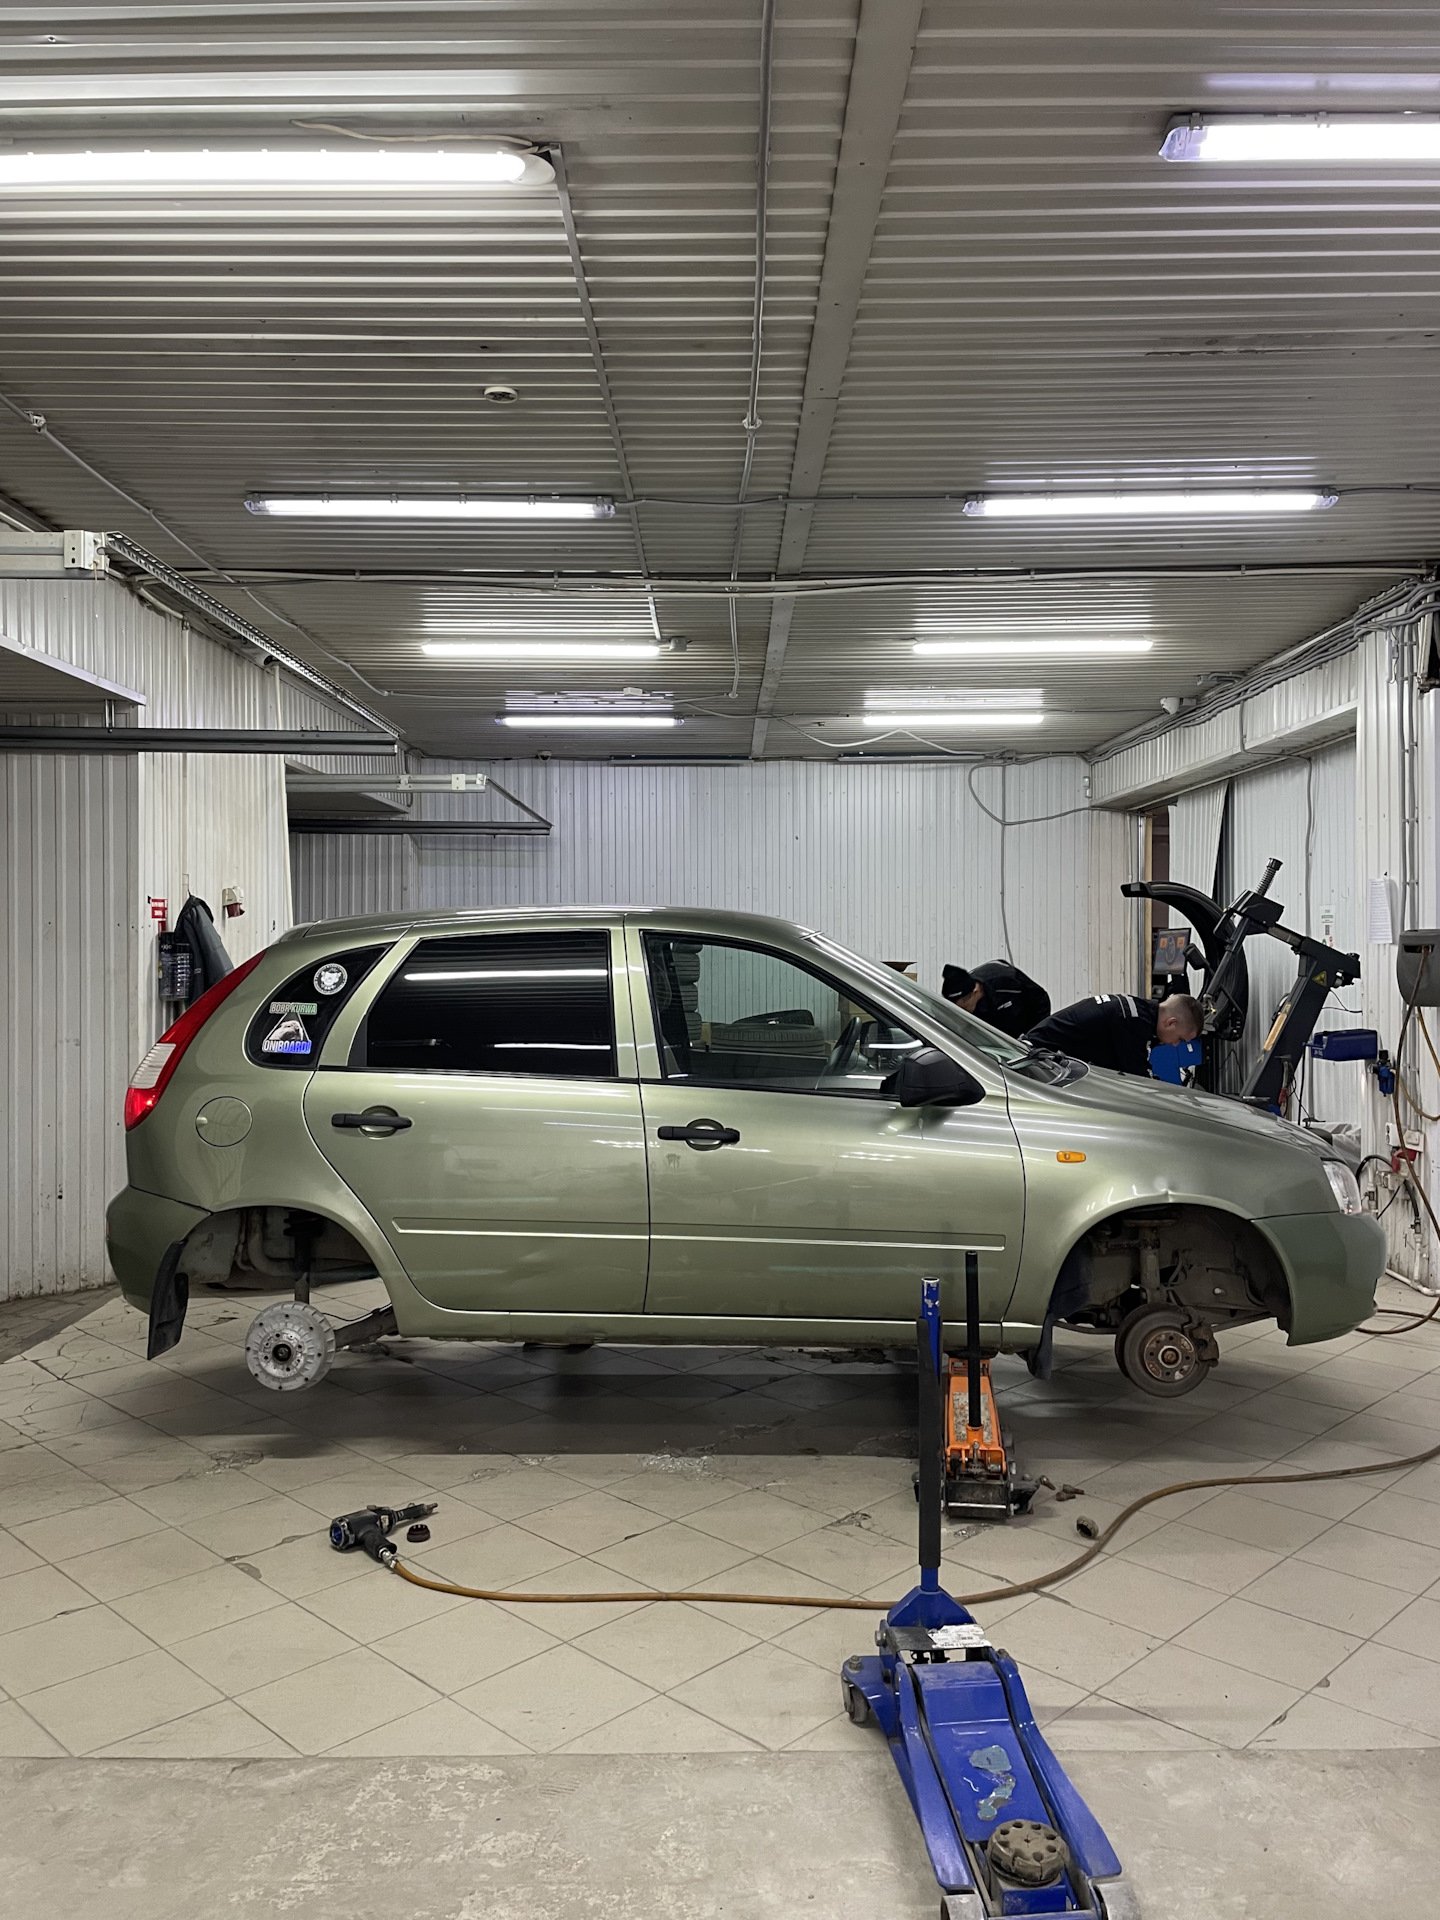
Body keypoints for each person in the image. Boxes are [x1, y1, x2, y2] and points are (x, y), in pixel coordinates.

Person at [1023, 991, 1203, 1077]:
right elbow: (1138, 1080)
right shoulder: (1133, 1023)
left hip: (1041, 1054)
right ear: (1171, 1022)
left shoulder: (1138, 1010)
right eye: (1180, 1039)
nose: (1175, 1044)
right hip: (1035, 1064)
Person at [941, 961, 1050, 1039]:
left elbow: (1041, 999)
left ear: (975, 992)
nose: (962, 1013)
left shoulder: (1007, 983)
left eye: (964, 1008)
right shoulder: (961, 984)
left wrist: (1033, 1037)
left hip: (1025, 1017)